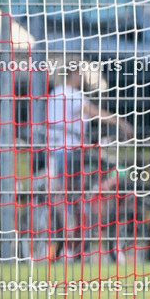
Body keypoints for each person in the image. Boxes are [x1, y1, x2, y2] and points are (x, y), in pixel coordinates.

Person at [45, 61, 133, 259]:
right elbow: (92, 112)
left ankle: (71, 242)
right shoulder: (73, 95)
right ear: (74, 74)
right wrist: (120, 122)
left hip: (55, 152)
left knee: (67, 197)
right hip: (72, 154)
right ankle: (79, 236)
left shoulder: (54, 95)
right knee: (85, 190)